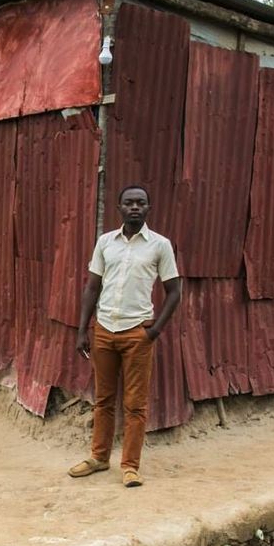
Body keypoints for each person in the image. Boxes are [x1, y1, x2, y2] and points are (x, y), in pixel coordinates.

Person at [68, 185, 182, 488]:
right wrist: (83, 330)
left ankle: (130, 466)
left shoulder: (160, 245)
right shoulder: (106, 243)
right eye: (129, 203)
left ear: (148, 208)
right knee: (103, 399)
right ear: (119, 207)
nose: (135, 207)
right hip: (104, 330)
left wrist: (155, 330)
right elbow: (92, 287)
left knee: (135, 404)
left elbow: (174, 292)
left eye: (140, 203)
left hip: (137, 334)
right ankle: (99, 457)